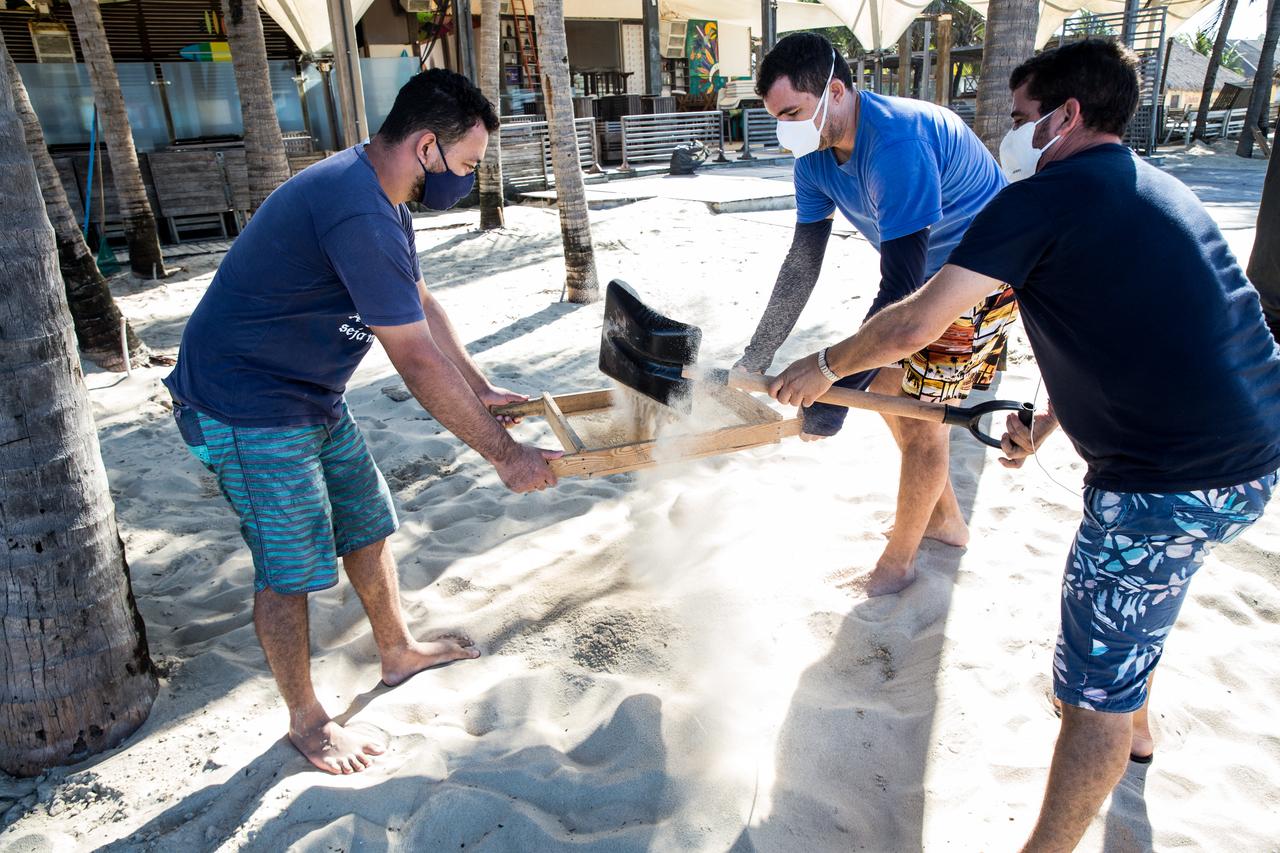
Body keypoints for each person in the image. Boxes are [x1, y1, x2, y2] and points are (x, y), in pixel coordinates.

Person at [767, 39, 1280, 851]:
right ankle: (1138, 736)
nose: (1006, 136)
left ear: (1066, 116)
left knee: (1088, 696)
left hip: (1164, 483)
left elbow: (913, 320)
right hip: (1254, 456)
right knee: (1132, 621)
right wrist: (1045, 423)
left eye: (1018, 118)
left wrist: (824, 368)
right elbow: (1139, 335)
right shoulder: (1157, 188)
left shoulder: (1036, 198)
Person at [163, 69, 562, 775]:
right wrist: (504, 454)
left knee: (367, 524)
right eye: (467, 164)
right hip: (244, 405)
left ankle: (397, 651)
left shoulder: (385, 189)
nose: (469, 178)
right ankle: (308, 720)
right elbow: (411, 357)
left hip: (311, 394)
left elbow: (417, 296)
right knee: (289, 570)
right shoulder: (356, 208)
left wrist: (481, 384)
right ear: (427, 145)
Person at [736, 33, 1015, 596]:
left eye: (792, 113)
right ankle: (945, 523)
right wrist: (757, 353)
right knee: (890, 391)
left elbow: (901, 291)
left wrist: (832, 383)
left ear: (835, 91)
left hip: (984, 272)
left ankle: (899, 563)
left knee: (919, 417)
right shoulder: (812, 156)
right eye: (776, 118)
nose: (784, 128)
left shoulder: (896, 142)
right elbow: (802, 261)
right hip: (927, 276)